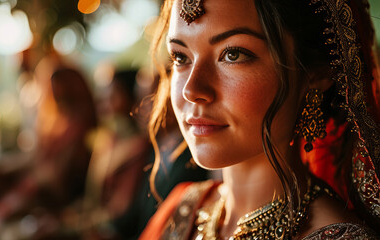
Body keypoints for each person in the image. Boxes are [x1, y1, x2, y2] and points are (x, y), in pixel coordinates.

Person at [140, 0, 380, 239]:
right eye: (181, 57)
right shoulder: (180, 211)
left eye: (233, 54)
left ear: (316, 72)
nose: (191, 90)